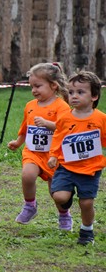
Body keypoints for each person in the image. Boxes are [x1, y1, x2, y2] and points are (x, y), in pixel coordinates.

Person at [7, 63, 71, 228]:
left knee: (55, 191)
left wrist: (47, 124)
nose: (34, 90)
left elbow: (66, 128)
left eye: (38, 86)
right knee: (27, 175)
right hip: (33, 152)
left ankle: (64, 215)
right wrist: (18, 142)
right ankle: (30, 205)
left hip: (54, 154)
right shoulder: (30, 106)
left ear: (53, 85)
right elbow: (25, 128)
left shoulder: (61, 106)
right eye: (31, 86)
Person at [48, 71, 106, 245]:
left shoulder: (101, 119)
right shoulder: (64, 118)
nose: (74, 96)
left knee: (86, 203)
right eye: (71, 92)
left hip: (90, 170)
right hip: (66, 167)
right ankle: (67, 199)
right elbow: (58, 138)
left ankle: (87, 230)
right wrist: (53, 156)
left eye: (80, 92)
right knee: (59, 197)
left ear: (94, 96)